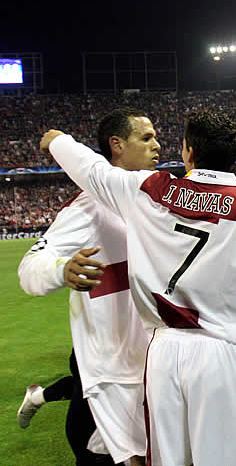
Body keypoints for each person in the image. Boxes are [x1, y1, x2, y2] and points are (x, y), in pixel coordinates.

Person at [40, 109, 236, 466]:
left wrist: (56, 140)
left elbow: (91, 169)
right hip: (220, 351)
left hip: (163, 355)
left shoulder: (148, 188)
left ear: (188, 152)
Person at [19, 107, 161, 466]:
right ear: (117, 145)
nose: (157, 145)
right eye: (146, 138)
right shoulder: (86, 209)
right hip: (111, 368)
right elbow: (29, 267)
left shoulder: (158, 199)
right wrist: (62, 269)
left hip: (158, 359)